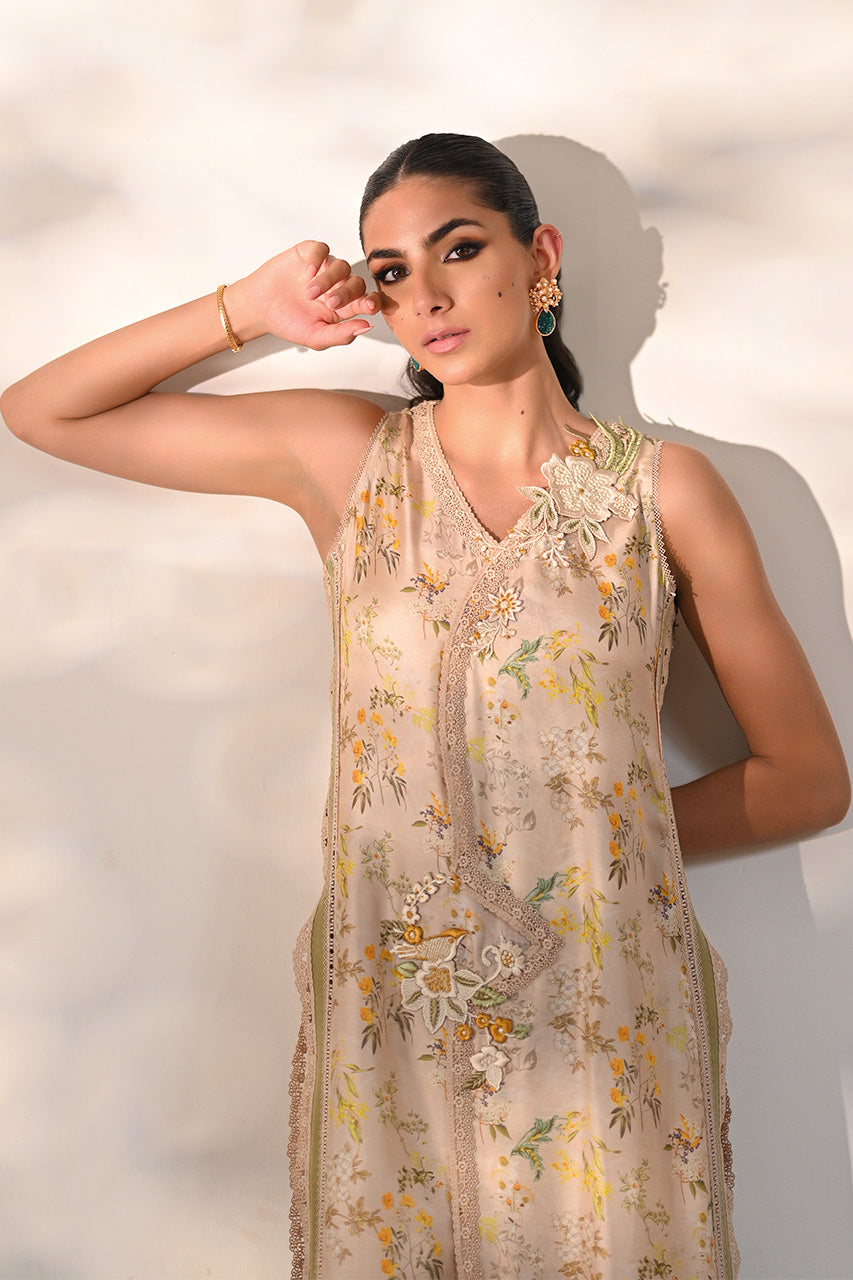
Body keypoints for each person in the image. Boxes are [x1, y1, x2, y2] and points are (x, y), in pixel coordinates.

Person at [1, 133, 848, 1280]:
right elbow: (44, 412)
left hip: (603, 1000)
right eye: (391, 272)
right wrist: (245, 308)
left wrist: (582, 845)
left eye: (458, 249)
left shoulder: (661, 494)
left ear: (538, 257)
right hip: (400, 998)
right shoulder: (347, 455)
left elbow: (806, 779)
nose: (428, 295)